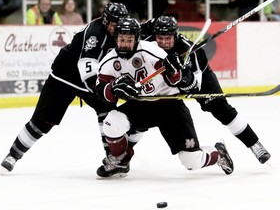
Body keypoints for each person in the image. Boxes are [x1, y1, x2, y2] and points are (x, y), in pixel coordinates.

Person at [0, 2, 131, 174]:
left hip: (91, 80)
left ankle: (113, 158)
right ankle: (13, 155)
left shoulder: (122, 32)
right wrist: (100, 88)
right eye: (115, 24)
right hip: (65, 77)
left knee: (108, 113)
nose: (118, 28)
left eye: (121, 24)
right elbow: (87, 65)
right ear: (106, 21)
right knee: (42, 121)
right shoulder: (95, 34)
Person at [95, 17, 234, 178]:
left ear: (137, 38)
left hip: (170, 107)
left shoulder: (151, 51)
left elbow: (176, 81)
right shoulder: (108, 61)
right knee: (111, 122)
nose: (125, 43)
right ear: (116, 39)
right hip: (142, 105)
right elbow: (100, 92)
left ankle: (218, 153)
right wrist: (112, 89)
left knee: (192, 161)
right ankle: (120, 160)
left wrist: (174, 71)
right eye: (121, 39)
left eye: (129, 39)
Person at [143, 16, 270, 164]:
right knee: (143, 110)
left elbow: (196, 85)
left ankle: (254, 144)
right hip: (166, 81)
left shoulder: (188, 49)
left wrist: (184, 79)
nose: (164, 42)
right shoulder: (147, 42)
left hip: (200, 77)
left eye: (168, 38)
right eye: (160, 38)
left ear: (175, 34)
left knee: (221, 109)